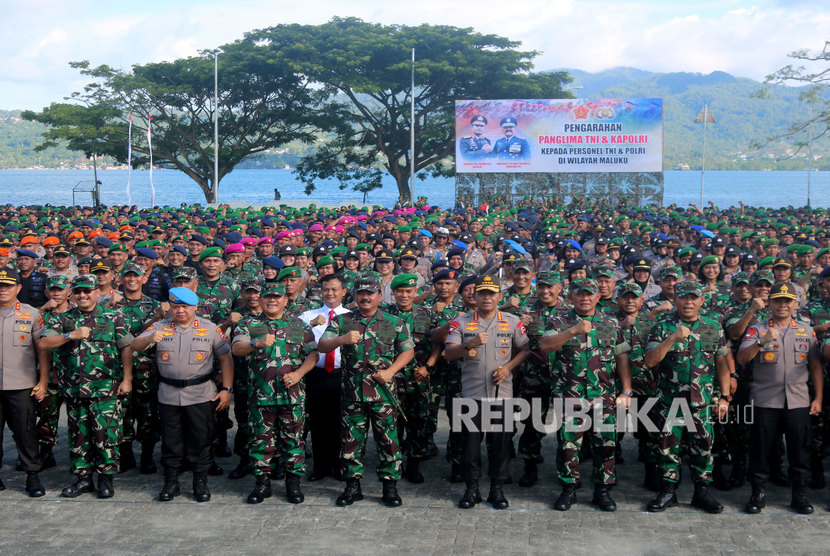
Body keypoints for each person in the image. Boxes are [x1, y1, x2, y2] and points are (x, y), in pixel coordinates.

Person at [317, 276, 415, 507]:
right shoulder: (344, 320)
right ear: (354, 296)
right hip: (352, 394)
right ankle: (353, 487)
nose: (365, 297)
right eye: (360, 293)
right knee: (351, 441)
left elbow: (408, 351)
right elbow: (322, 345)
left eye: (370, 293)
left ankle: (389, 488)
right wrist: (342, 338)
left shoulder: (393, 322)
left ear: (379, 297)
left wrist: (391, 371)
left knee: (388, 441)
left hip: (383, 394)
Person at [132, 287, 233, 502]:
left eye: (185, 307)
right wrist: (150, 337)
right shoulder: (159, 326)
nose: (180, 311)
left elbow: (225, 359)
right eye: (176, 306)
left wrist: (227, 389)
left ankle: (200, 482)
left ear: (195, 307)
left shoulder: (210, 329)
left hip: (200, 393)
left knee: (201, 439)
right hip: (168, 394)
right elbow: (135, 345)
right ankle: (171, 482)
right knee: (171, 441)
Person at [541, 277, 632, 512]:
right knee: (569, 445)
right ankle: (568, 490)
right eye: (579, 294)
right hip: (570, 395)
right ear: (570, 297)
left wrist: (626, 390)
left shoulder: (610, 323)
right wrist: (573, 331)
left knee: (605, 444)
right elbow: (546, 346)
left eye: (589, 294)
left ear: (597, 297)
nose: (584, 298)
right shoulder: (559, 321)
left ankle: (602, 491)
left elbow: (622, 357)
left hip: (603, 396)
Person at [40, 274, 134, 499]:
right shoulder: (63, 319)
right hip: (74, 389)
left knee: (106, 435)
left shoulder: (113, 316)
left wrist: (127, 379)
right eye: (78, 291)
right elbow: (44, 343)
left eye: (87, 291)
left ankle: (105, 479)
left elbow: (126, 347)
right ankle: (83, 479)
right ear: (72, 293)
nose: (82, 295)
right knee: (78, 436)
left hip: (105, 389)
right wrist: (70, 335)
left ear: (95, 292)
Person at [644, 280, 732, 513]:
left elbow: (721, 362)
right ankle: (668, 492)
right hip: (670, 402)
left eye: (694, 297)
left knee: (703, 448)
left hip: (701, 402)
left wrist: (724, 396)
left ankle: (702, 493)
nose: (689, 302)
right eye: (684, 297)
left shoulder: (713, 327)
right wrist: (672, 338)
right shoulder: (662, 327)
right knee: (666, 448)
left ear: (702, 301)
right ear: (675, 299)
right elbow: (650, 361)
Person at [445, 274, 530, 510]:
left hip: (501, 395)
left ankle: (497, 489)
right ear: (476, 296)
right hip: (471, 395)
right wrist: (467, 345)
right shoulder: (460, 322)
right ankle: (472, 490)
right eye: (482, 293)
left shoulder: (512, 321)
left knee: (500, 445)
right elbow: (449, 353)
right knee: (470, 447)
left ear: (499, 297)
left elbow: (525, 350)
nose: (486, 298)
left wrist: (508, 368)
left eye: (491, 293)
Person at [737, 282, 823, 514]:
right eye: (777, 300)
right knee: (761, 449)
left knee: (800, 450)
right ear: (770, 303)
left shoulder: (807, 330)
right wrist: (760, 342)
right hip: (765, 401)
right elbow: (742, 358)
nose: (782, 305)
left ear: (795, 304)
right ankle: (758, 494)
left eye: (787, 301)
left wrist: (818, 399)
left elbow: (815, 366)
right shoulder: (757, 328)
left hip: (798, 401)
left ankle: (800, 495)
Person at [232, 282, 318, 504]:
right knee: (261, 441)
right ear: (261, 300)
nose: (272, 301)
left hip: (293, 395)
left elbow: (313, 355)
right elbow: (237, 349)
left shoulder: (298, 325)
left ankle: (293, 484)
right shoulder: (248, 324)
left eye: (277, 297)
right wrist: (256, 342)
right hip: (261, 396)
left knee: (294, 440)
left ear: (285, 300)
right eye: (267, 297)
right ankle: (262, 484)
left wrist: (299, 374)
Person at [299, 274, 351, 482]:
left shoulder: (351, 316)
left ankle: (339, 464)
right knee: (318, 421)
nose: (330, 293)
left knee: (340, 421)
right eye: (326, 290)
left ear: (344, 291)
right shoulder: (308, 315)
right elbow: (291, 336)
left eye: (334, 289)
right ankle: (320, 465)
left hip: (342, 374)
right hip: (316, 374)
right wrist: (310, 324)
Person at [0, 267, 47, 497]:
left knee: (26, 434)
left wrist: (43, 381)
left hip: (21, 385)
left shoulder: (31, 314)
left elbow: (42, 352)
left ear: (18, 288)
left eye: (8, 286)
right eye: (0, 286)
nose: (3, 290)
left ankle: (32, 477)